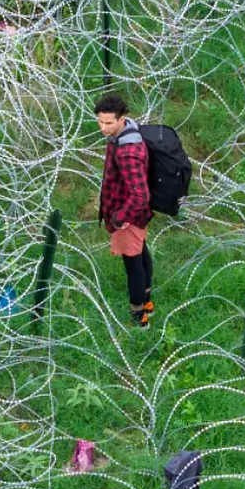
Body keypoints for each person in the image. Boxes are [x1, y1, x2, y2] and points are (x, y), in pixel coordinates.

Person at [95, 93, 153, 327]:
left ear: (122, 119)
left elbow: (140, 196)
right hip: (132, 213)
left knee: (133, 264)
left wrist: (119, 217)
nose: (103, 127)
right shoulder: (125, 134)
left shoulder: (127, 151)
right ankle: (147, 302)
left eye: (109, 122)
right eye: (100, 121)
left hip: (127, 216)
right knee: (141, 253)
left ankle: (139, 314)